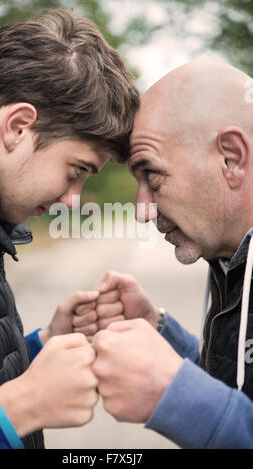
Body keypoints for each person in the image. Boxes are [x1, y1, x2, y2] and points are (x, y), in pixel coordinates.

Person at [0, 8, 139, 449]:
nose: (72, 200)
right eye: (76, 170)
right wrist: (21, 409)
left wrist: (38, 346)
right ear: (18, 127)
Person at [84, 61, 253, 449]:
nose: (143, 209)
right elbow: (238, 385)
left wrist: (176, 396)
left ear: (231, 158)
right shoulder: (231, 258)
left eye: (153, 176)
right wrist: (159, 331)